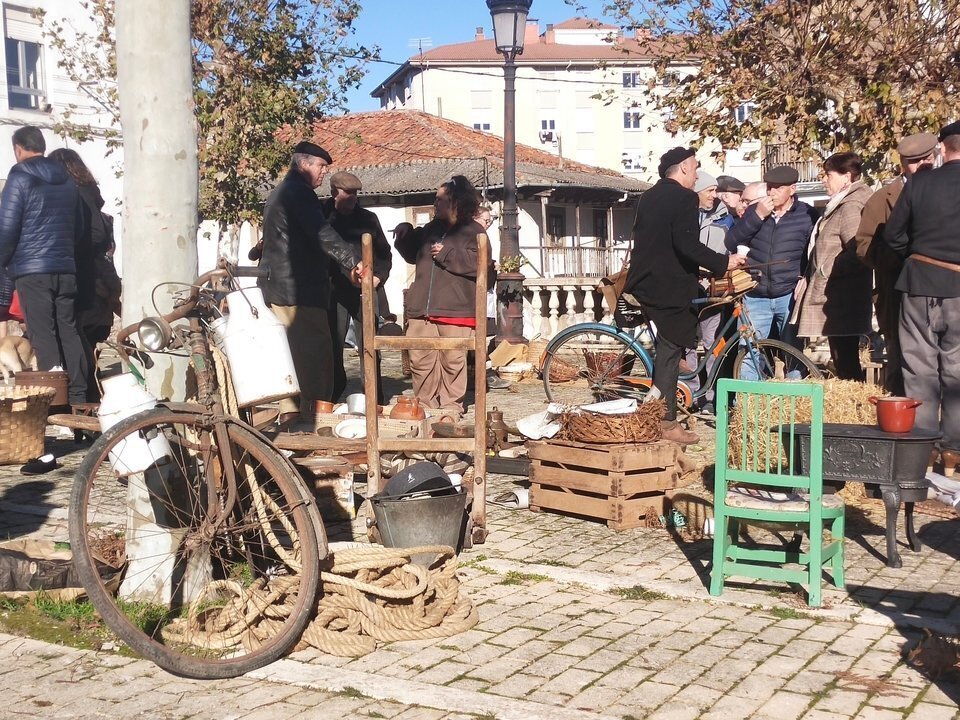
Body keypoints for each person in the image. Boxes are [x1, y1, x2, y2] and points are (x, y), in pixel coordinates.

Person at [623, 147, 745, 445]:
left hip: (645, 281)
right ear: (684, 168)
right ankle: (666, 423)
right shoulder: (684, 197)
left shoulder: (648, 196)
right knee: (670, 351)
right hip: (667, 288)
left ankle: (662, 405)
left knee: (672, 348)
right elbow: (686, 245)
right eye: (695, 167)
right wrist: (723, 262)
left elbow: (663, 244)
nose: (696, 174)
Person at [258, 140, 363, 427]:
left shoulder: (281, 192)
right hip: (297, 289)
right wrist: (353, 261)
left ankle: (292, 413)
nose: (323, 173)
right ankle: (314, 419)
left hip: (282, 286)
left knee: (291, 355)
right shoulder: (298, 193)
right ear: (304, 164)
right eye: (320, 166)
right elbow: (322, 234)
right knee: (315, 357)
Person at [884, 120, 960, 457]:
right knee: (957, 370)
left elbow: (893, 235)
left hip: (918, 282)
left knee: (918, 367)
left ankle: (923, 447)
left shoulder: (919, 182)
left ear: (943, 147)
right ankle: (954, 448)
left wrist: (917, 255)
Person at [0, 126, 89, 405]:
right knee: (69, 331)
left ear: (18, 149)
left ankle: (55, 403)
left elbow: (7, 228)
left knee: (43, 335)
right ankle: (79, 397)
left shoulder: (20, 175)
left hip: (32, 271)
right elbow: (79, 228)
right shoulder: (66, 179)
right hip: (65, 268)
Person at [394, 175, 493, 417]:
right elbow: (413, 255)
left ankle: (450, 409)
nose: (435, 204)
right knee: (420, 360)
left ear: (456, 202)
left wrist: (447, 254)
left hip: (455, 310)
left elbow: (481, 265)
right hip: (422, 311)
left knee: (452, 362)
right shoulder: (431, 229)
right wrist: (405, 235)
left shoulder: (475, 232)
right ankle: (425, 407)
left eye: (440, 199)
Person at [854, 132, 938, 394]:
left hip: (941, 293)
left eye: (927, 158)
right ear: (902, 163)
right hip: (898, 293)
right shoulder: (882, 199)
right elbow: (864, 246)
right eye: (914, 161)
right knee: (900, 367)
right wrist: (901, 255)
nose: (922, 165)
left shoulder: (946, 190)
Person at [725, 166, 817, 375]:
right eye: (769, 187)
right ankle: (748, 395)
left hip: (789, 294)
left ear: (792, 189)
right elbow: (731, 240)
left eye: (778, 188)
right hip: (755, 293)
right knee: (749, 351)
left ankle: (796, 394)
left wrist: (806, 277)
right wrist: (757, 215)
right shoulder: (755, 211)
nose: (772, 192)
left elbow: (814, 251)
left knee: (793, 351)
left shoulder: (807, 214)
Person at [794, 153, 873, 380]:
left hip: (842, 297)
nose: (824, 180)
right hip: (837, 295)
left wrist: (825, 270)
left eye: (828, 175)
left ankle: (858, 402)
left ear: (846, 177)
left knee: (846, 362)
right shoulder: (842, 204)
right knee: (842, 359)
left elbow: (857, 251)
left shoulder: (851, 206)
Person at [49, 148, 115, 400]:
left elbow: (96, 233)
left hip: (83, 277)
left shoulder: (77, 193)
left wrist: (68, 246)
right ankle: (87, 398)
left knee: (74, 337)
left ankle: (82, 399)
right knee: (80, 339)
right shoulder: (88, 192)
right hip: (92, 278)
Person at [322, 171, 392, 403]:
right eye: (348, 193)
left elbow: (385, 254)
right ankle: (331, 397)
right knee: (332, 347)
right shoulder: (321, 217)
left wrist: (378, 277)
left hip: (366, 290)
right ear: (334, 192)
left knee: (370, 345)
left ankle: (374, 398)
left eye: (355, 194)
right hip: (334, 291)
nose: (353, 198)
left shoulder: (368, 219)